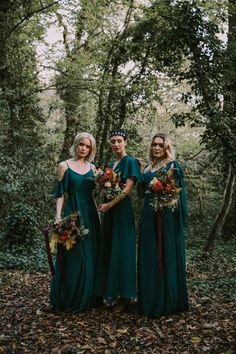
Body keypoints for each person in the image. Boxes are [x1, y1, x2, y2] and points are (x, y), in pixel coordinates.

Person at [138, 132, 189, 317]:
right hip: (148, 216)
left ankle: (168, 299)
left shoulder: (173, 166)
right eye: (154, 145)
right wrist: (140, 171)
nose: (157, 148)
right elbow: (142, 193)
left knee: (165, 253)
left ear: (166, 147)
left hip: (166, 217)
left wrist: (167, 204)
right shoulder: (148, 168)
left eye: (160, 145)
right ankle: (150, 298)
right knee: (149, 254)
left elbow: (178, 194)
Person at [50, 132, 100, 312]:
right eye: (81, 145)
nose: (84, 149)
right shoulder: (64, 166)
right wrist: (58, 217)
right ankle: (68, 297)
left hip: (91, 214)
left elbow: (96, 193)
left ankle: (88, 297)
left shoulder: (94, 169)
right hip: (72, 213)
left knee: (89, 255)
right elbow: (60, 194)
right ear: (76, 144)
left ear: (91, 149)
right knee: (73, 255)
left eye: (88, 146)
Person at [94, 128, 141, 307]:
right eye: (113, 141)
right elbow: (106, 186)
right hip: (110, 211)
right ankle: (110, 292)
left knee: (123, 248)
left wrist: (109, 204)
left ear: (125, 142)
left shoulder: (130, 161)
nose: (116, 144)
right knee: (109, 248)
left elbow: (128, 189)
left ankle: (127, 295)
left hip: (121, 210)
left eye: (119, 141)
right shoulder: (112, 165)